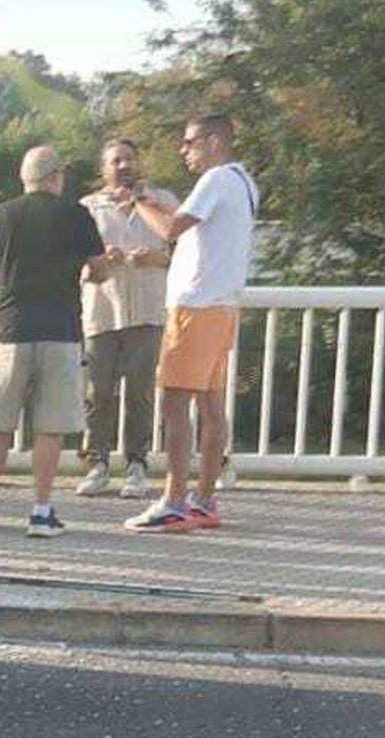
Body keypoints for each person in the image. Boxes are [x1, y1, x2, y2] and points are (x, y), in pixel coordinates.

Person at [119, 115, 259, 533]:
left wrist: (139, 203)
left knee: (175, 403)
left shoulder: (215, 179)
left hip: (195, 306)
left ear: (213, 141)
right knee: (212, 406)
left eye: (189, 142)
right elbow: (187, 219)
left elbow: (171, 229)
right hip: (220, 305)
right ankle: (204, 500)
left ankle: (175, 500)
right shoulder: (243, 181)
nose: (184, 150)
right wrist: (153, 201)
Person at [0, 145, 110, 537]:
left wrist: (0, 306)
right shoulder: (77, 215)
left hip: (10, 331)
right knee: (49, 428)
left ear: (24, 178)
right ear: (56, 177)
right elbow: (99, 270)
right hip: (60, 330)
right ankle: (41, 512)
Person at [76, 139, 178, 499]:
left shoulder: (162, 201)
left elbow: (185, 255)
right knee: (97, 393)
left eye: (129, 159)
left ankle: (137, 464)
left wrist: (153, 259)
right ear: (103, 168)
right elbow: (76, 265)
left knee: (140, 392)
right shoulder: (87, 208)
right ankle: (97, 463)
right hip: (102, 311)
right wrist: (102, 261)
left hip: (148, 310)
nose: (123, 165)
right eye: (115, 160)